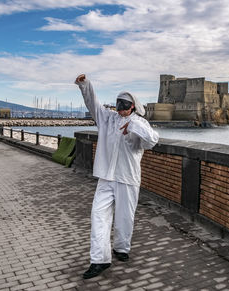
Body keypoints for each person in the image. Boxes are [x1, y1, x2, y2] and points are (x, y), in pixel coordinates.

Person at [75, 74, 159, 279]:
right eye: (117, 104)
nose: (120, 108)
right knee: (98, 216)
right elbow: (93, 104)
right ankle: (99, 260)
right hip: (106, 178)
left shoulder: (140, 123)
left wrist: (133, 127)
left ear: (132, 106)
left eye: (124, 105)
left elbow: (152, 141)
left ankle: (122, 248)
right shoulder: (108, 119)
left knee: (124, 217)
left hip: (127, 178)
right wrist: (84, 84)